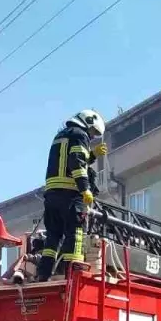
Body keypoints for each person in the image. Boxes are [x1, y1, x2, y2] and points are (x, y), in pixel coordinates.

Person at [37, 109, 107, 281]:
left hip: (52, 195)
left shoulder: (61, 136)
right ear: (87, 123)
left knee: (53, 236)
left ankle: (44, 273)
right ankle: (71, 274)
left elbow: (69, 160)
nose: (92, 136)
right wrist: (85, 189)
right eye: (93, 132)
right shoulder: (79, 135)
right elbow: (76, 163)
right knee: (75, 233)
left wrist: (92, 155)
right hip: (71, 194)